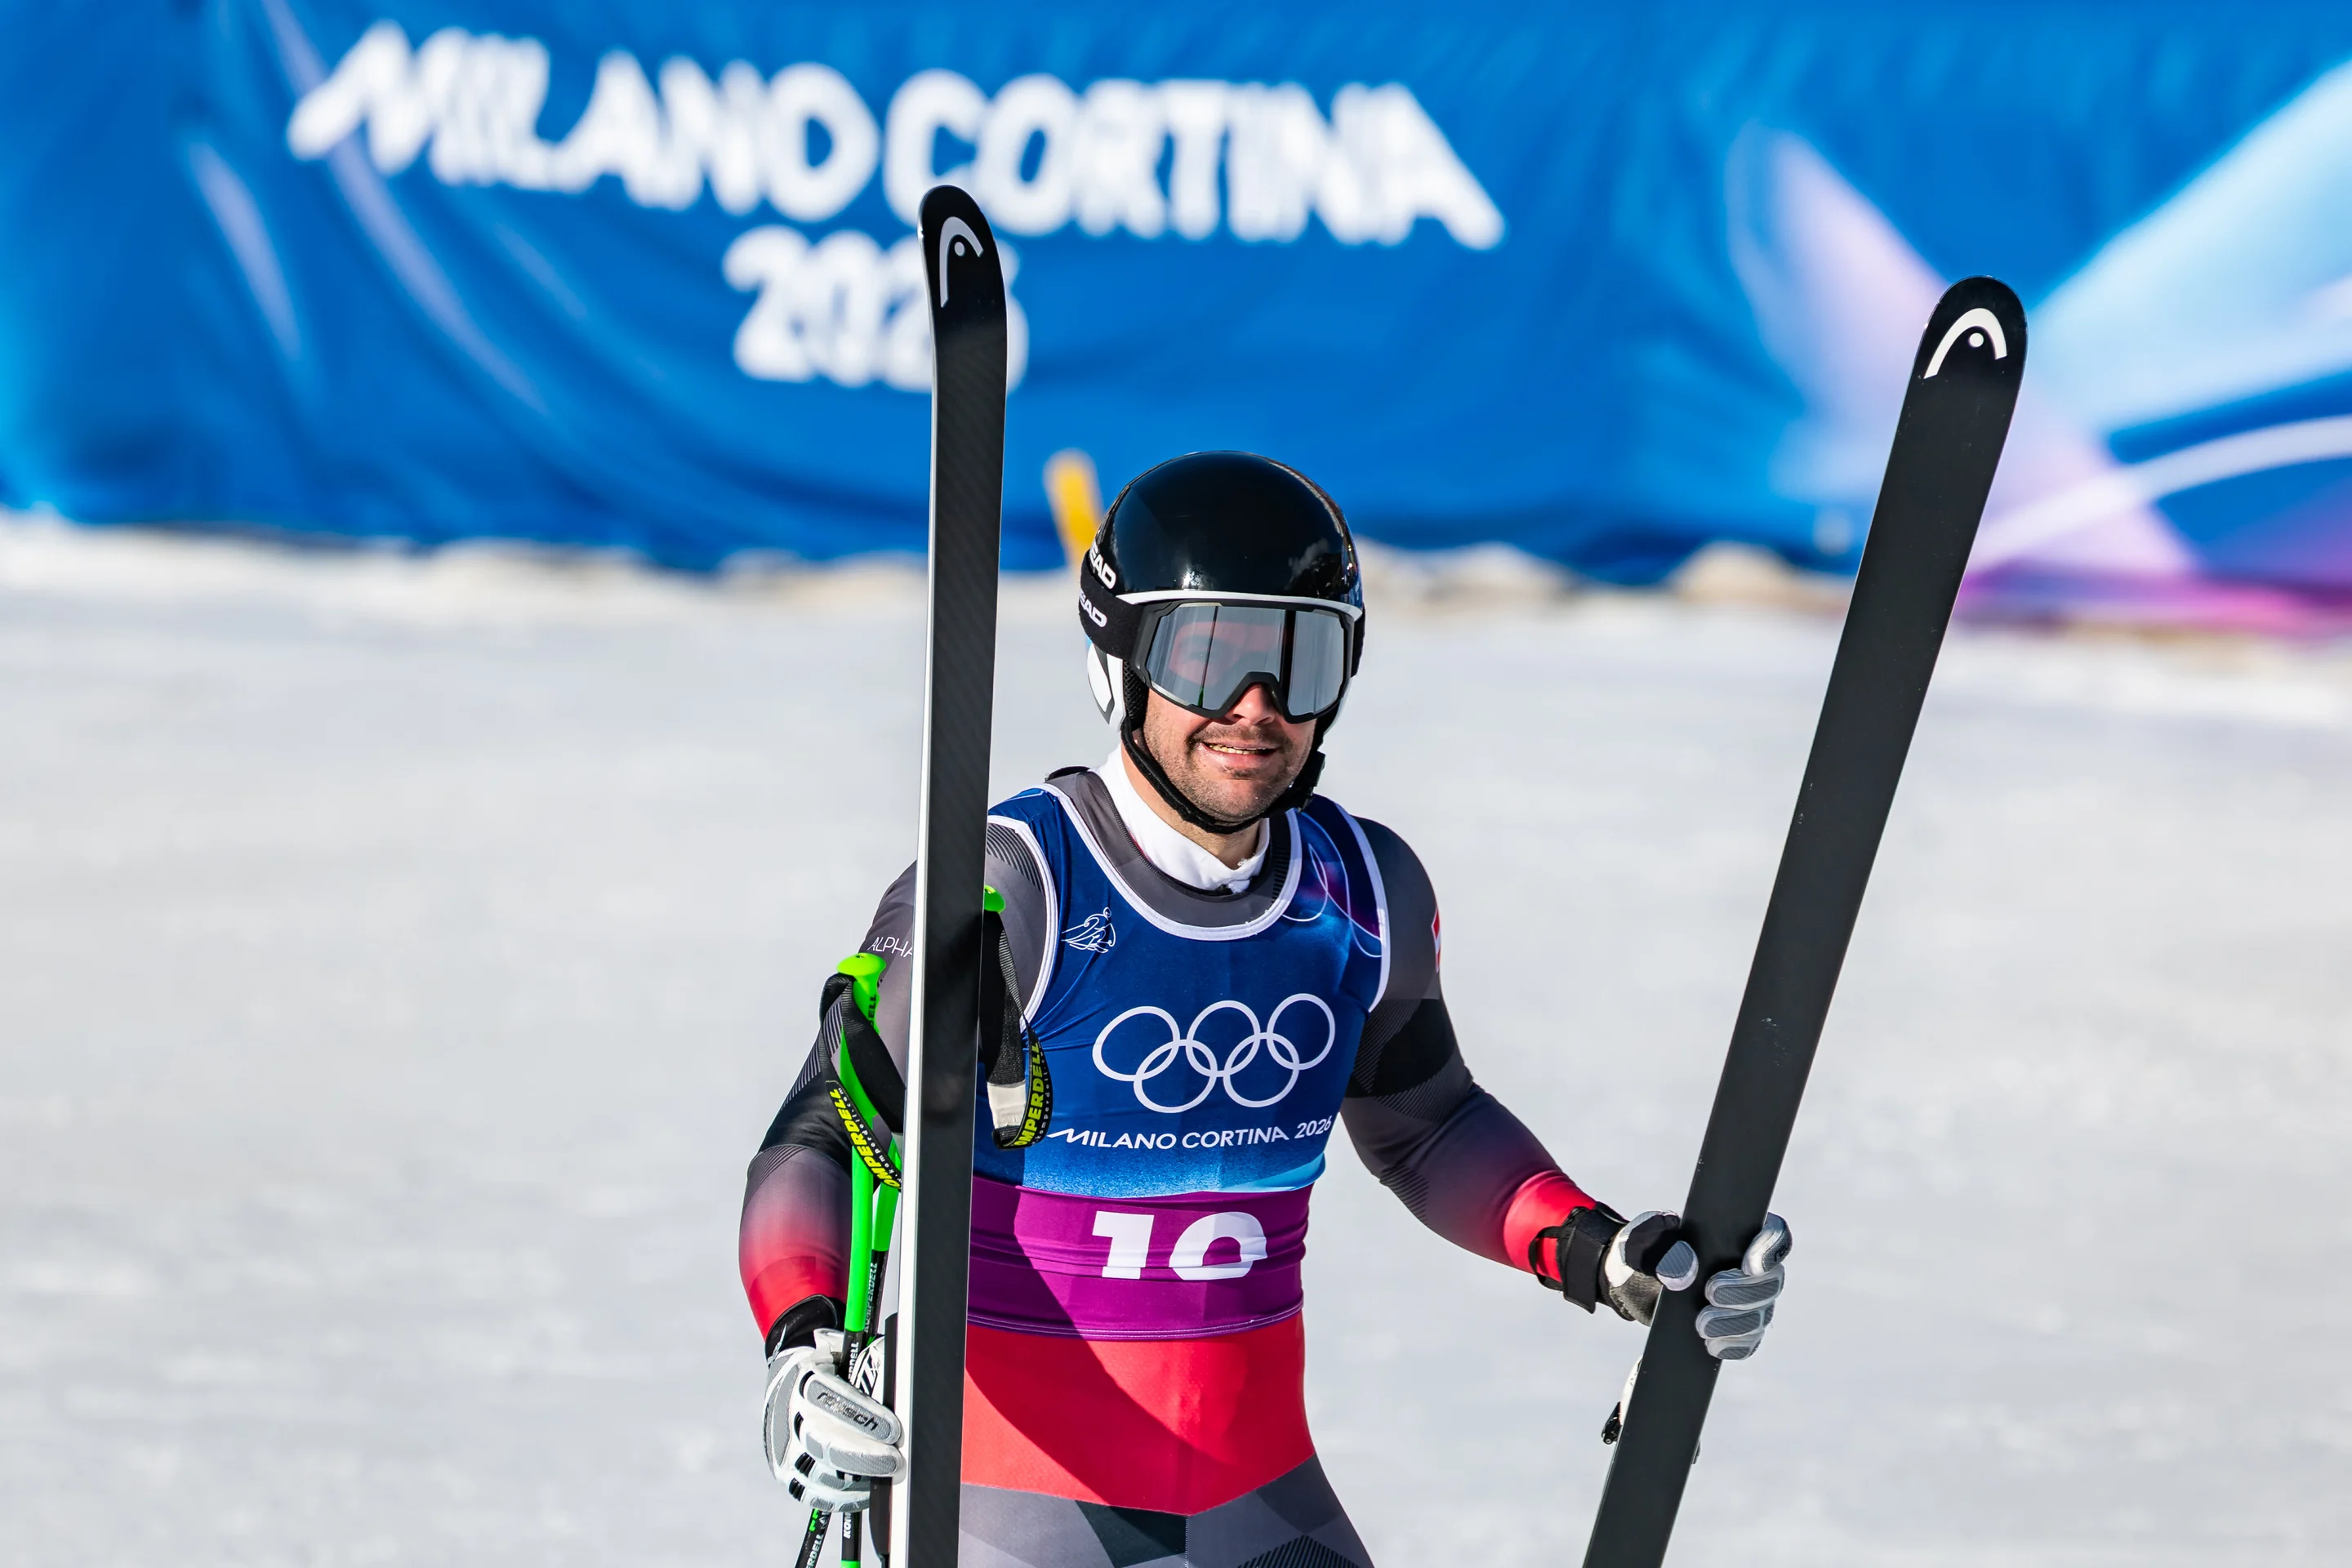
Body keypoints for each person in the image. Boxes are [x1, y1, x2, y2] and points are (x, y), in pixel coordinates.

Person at [738, 452, 1793, 1567]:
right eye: (1212, 656)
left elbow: (1427, 1127)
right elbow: (822, 1133)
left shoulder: (1362, 890)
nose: (1257, 707)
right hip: (1004, 1510)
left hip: (1256, 1503)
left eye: (1303, 657)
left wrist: (1598, 1250)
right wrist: (802, 1352)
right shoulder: (1012, 883)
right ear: (1124, 661)